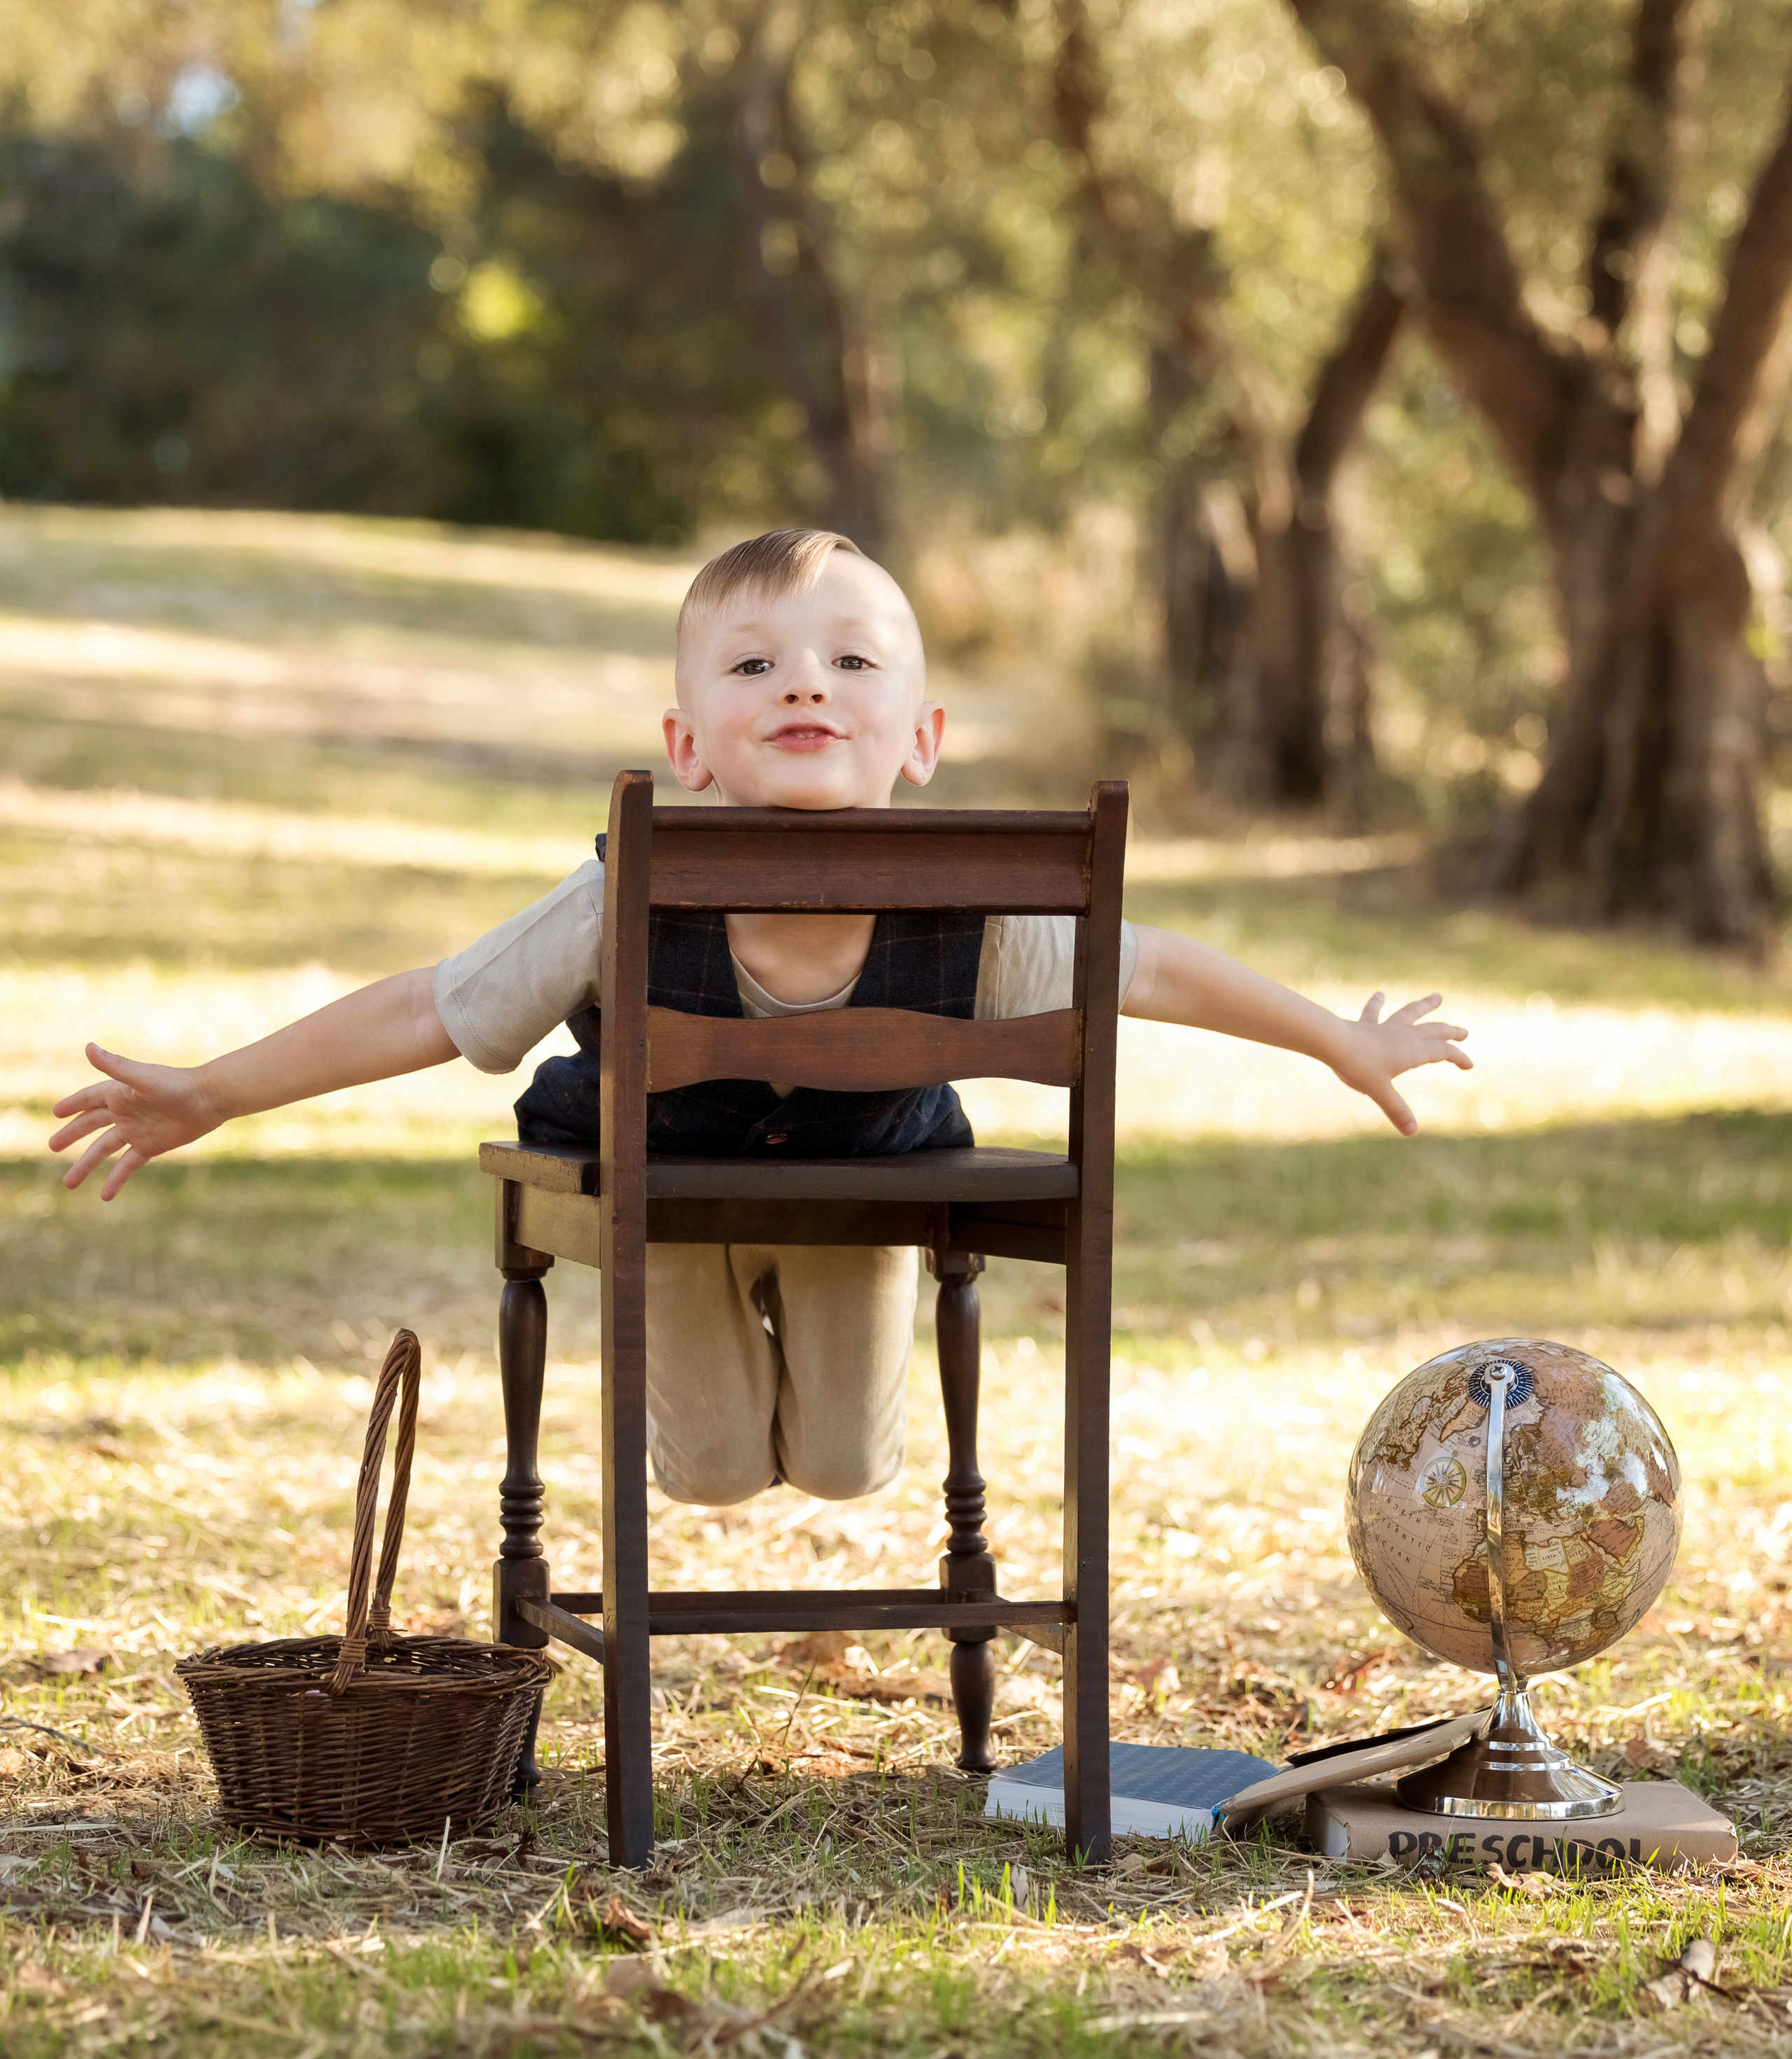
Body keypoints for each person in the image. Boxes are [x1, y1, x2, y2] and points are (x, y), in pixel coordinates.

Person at [49, 527, 1471, 1504]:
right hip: (662, 1181)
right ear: (685, 747)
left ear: (919, 741)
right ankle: (722, 1357)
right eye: (754, 666)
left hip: (872, 1177)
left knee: (850, 1466)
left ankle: (826, 1326)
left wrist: (1335, 1042)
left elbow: (1147, 968)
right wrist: (217, 1089)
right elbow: (438, 1005)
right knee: (715, 1469)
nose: (804, 681)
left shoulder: (967, 909)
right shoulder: (626, 887)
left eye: (852, 664)